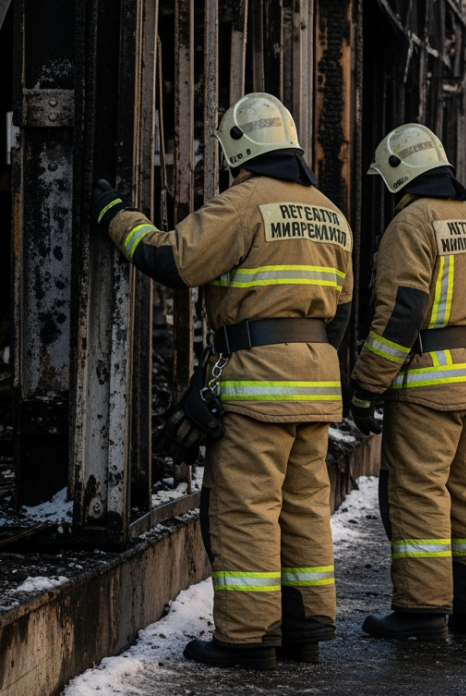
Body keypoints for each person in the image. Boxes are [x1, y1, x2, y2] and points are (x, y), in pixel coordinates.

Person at [92, 93, 351, 670]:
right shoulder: (329, 213)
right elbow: (343, 312)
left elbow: (170, 260)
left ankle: (247, 637)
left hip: (260, 384)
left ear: (237, 148)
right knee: (304, 507)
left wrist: (115, 216)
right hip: (315, 385)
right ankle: (304, 629)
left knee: (246, 509)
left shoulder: (244, 204)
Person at [349, 123, 466, 641]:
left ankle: (421, 612)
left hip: (426, 387)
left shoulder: (411, 223)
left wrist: (367, 387)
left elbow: (401, 315)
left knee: (419, 492)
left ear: (399, 175)